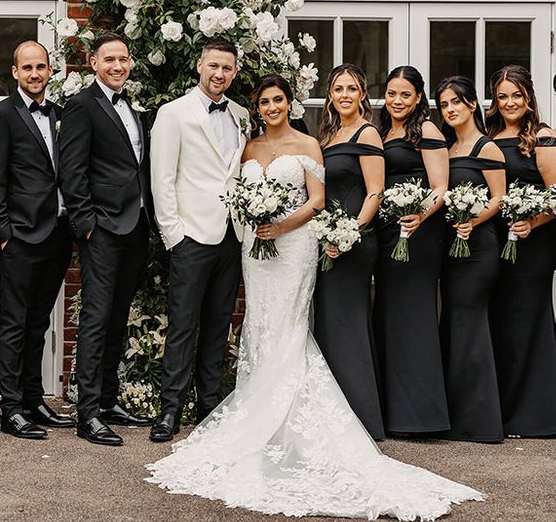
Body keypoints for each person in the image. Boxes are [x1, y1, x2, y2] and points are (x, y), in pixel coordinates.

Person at [147, 74, 485, 520]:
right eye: (264, 101)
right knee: (260, 323)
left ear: (291, 104)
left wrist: (281, 226)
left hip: (294, 245)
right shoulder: (247, 149)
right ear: (257, 107)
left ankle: (285, 417)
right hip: (256, 249)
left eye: (279, 100)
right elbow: (235, 196)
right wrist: (255, 223)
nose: (271, 107)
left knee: (289, 324)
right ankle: (257, 405)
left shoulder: (310, 145)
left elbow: (318, 200)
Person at [149, 39, 249, 443]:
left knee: (218, 325)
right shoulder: (173, 113)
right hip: (191, 235)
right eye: (213, 66)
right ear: (199, 66)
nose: (219, 74)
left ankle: (209, 409)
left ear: (234, 72)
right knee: (183, 326)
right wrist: (174, 235)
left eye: (226, 68)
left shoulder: (242, 115)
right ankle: (169, 411)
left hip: (232, 234)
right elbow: (162, 178)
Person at [59, 32, 154, 446]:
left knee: (118, 316)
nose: (118, 65)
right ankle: (88, 413)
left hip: (134, 227)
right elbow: (72, 170)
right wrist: (87, 224)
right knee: (96, 320)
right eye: (109, 59)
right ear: (93, 64)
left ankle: (110, 400)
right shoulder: (82, 105)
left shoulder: (131, 107)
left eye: (124, 59)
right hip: (102, 228)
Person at [0, 41, 75, 440]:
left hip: (56, 234)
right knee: (14, 323)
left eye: (41, 67)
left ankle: (34, 400)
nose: (35, 74)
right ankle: (11, 408)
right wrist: (2, 235)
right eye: (27, 68)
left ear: (50, 71)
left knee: (38, 322)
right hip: (18, 236)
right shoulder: (0, 115)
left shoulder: (59, 115)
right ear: (15, 73)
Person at [374, 66, 450, 436]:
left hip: (417, 234)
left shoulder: (428, 131)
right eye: (391, 94)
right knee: (389, 315)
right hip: (387, 234)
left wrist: (419, 215)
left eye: (405, 94)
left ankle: (422, 415)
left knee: (416, 318)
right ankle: (393, 412)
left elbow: (440, 187)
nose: (397, 101)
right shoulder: (382, 132)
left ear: (419, 98)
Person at [313, 63, 385, 440]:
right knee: (329, 322)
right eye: (337, 89)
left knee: (347, 324)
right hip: (327, 241)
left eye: (351, 89)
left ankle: (361, 420)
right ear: (331, 96)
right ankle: (333, 415)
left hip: (354, 242)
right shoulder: (328, 134)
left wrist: (349, 232)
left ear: (362, 95)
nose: (343, 95)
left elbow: (374, 191)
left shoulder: (368, 133)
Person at [487, 65, 556, 437]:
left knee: (528, 322)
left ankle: (537, 416)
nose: (510, 102)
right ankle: (505, 409)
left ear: (528, 97)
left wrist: (533, 222)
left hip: (534, 243)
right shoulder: (490, 136)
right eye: (502, 96)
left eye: (516, 95)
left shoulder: (543, 137)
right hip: (497, 241)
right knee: (502, 323)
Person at [436, 75, 505, 443]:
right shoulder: (445, 149)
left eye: (457, 103)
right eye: (445, 104)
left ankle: (480, 422)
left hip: (479, 249)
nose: (450, 109)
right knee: (453, 322)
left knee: (470, 324)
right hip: (451, 248)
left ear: (472, 105)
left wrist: (471, 220)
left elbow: (499, 199)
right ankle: (456, 413)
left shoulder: (487, 148)